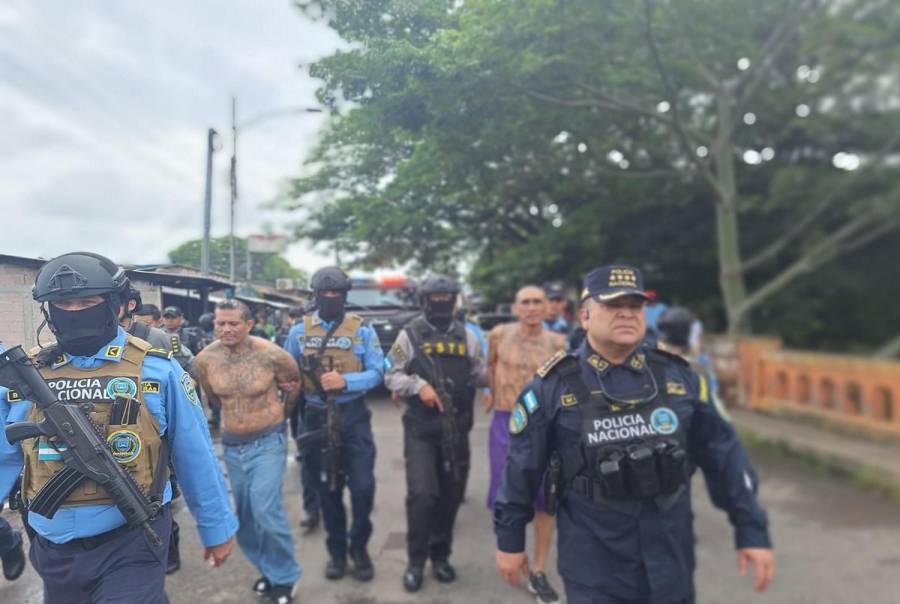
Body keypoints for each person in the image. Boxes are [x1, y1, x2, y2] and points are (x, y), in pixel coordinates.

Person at [494, 265, 774, 604]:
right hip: (596, 565)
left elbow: (724, 453)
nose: (627, 313)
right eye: (613, 305)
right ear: (585, 315)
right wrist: (509, 540)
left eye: (635, 305)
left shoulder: (680, 377)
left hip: (671, 558)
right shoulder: (551, 386)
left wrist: (751, 529)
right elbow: (520, 467)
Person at [0, 251, 237, 603]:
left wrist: (216, 528)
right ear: (48, 310)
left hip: (131, 539)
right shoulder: (27, 374)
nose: (75, 311)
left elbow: (194, 454)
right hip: (51, 545)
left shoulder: (157, 370)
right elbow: (6, 455)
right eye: (64, 302)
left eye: (87, 301)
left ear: (114, 304)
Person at [194, 299, 302, 604]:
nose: (226, 329)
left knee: (266, 509)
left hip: (268, 442)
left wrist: (279, 420)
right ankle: (268, 571)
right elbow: (214, 398)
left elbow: (293, 384)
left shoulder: (271, 354)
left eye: (233, 323)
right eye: (220, 323)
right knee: (246, 518)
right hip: (232, 445)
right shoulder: (205, 360)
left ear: (249, 324)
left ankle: (285, 577)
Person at [384, 275, 486, 592]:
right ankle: (416, 561)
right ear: (425, 300)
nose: (442, 302)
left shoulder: (467, 336)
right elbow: (391, 374)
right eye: (436, 296)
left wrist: (501, 377)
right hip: (421, 429)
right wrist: (418, 386)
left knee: (451, 495)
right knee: (423, 495)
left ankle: (440, 556)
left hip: (457, 427)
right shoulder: (409, 334)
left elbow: (479, 372)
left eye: (448, 296)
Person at [284, 267, 384, 582]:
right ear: (315, 296)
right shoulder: (298, 331)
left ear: (344, 296)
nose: (330, 299)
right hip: (314, 416)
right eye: (324, 295)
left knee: (363, 487)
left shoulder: (363, 330)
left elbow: (378, 371)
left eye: (336, 295)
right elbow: (288, 374)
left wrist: (346, 380)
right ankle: (337, 552)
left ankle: (359, 547)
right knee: (327, 490)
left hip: (353, 415)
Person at [486, 285, 566, 603]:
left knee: (546, 500)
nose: (531, 307)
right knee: (507, 492)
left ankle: (539, 570)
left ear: (547, 308)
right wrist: (491, 391)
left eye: (537, 302)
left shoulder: (559, 342)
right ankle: (510, 549)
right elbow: (491, 365)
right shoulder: (498, 335)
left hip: (546, 427)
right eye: (525, 302)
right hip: (506, 420)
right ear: (516, 307)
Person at [116, 283, 184, 575]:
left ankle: (169, 545)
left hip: (152, 418)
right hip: (116, 422)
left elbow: (174, 377)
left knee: (157, 490)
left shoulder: (156, 338)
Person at [280, 306, 322, 534]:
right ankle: (312, 508)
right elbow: (289, 368)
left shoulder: (355, 331)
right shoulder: (298, 333)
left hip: (344, 407)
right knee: (309, 459)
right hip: (309, 403)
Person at [160, 306, 196, 374]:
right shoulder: (158, 335)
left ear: (181, 318)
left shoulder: (191, 336)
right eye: (167, 318)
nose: (170, 320)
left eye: (173, 317)